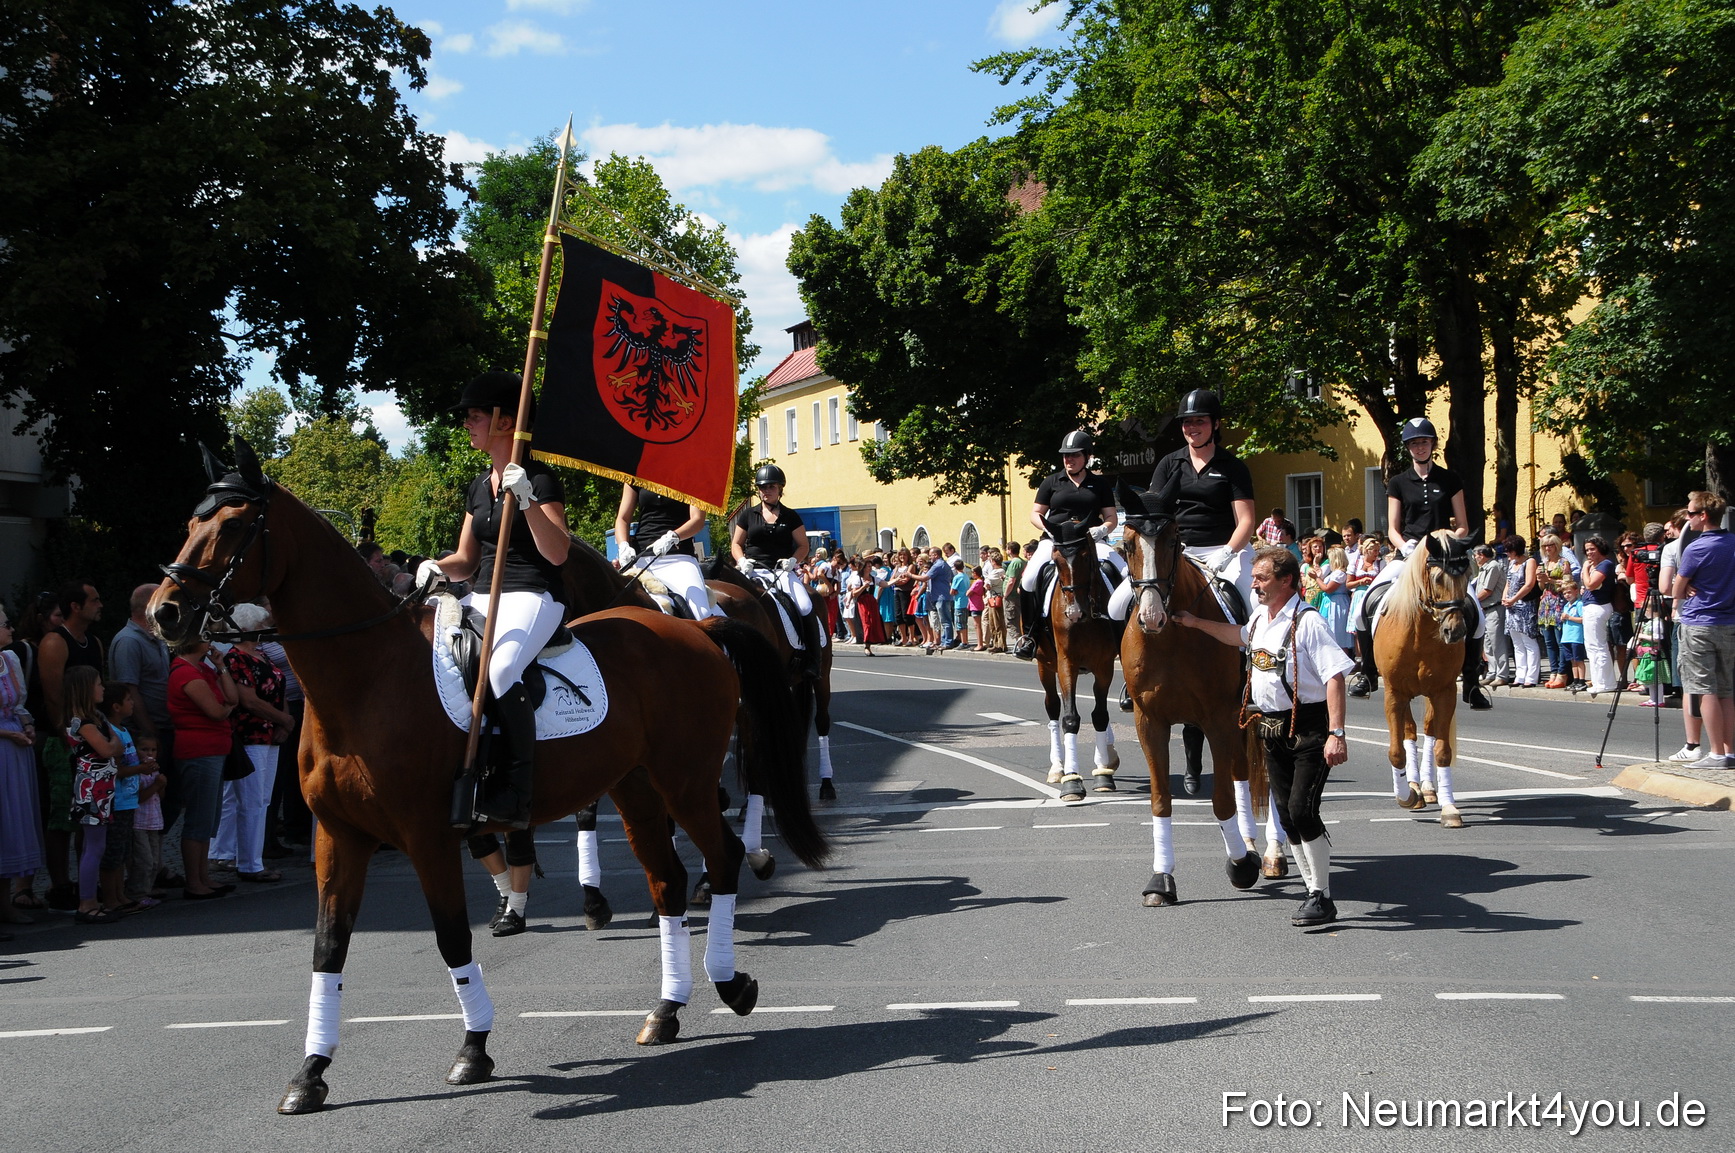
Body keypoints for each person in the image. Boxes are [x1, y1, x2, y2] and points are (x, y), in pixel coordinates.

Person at [416, 372, 571, 827]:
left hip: (534, 594)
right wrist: (434, 567)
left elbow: (558, 552)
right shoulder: (478, 484)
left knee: (500, 668)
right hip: (482, 595)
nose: (468, 423)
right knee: (438, 663)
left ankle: (517, 790)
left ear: (506, 421)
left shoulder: (540, 479)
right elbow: (466, 559)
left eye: (476, 416)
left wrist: (525, 500)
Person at [1175, 548, 1354, 927]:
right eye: (1254, 577)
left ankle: (1321, 895)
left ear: (1285, 581)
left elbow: (1334, 676)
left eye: (1261, 577)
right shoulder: (1260, 617)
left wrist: (1336, 733)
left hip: (1308, 725)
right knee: (1288, 816)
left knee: (1303, 810)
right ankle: (1312, 891)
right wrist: (1194, 623)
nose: (1254, 583)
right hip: (1271, 728)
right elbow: (1237, 635)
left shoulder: (1307, 622)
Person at [1349, 418, 1489, 709]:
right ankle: (1368, 673)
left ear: (1432, 445)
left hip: (1442, 556)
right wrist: (1404, 545)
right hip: (1408, 554)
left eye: (1424, 442)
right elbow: (1393, 529)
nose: (1420, 447)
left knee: (1475, 609)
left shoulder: (1450, 479)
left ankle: (1472, 681)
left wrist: (1446, 540)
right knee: (1365, 606)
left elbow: (1463, 525)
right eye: (1415, 443)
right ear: (1408, 448)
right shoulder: (1398, 482)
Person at [1016, 430, 1125, 660]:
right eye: (1066, 455)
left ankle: (1125, 636)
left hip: (1089, 542)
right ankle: (1029, 636)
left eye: (1074, 455)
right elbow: (1035, 513)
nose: (1069, 460)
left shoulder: (1099, 484)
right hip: (1056, 541)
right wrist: (1047, 528)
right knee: (1028, 579)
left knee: (1125, 573)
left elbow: (1111, 517)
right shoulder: (1052, 482)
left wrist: (1102, 529)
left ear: (1087, 456)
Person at [218, 605, 293, 883]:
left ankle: (250, 857)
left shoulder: (259, 654)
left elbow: (278, 688)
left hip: (269, 733)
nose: (267, 625)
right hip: (251, 734)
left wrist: (281, 721)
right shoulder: (236, 658)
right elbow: (249, 700)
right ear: (247, 628)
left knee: (263, 799)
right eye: (262, 621)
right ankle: (249, 863)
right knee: (250, 801)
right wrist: (284, 719)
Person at [728, 463, 824, 678]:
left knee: (805, 604)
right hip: (751, 570)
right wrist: (742, 560)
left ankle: (813, 660)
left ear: (780, 488)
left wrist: (792, 560)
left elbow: (803, 546)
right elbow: (736, 544)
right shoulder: (748, 515)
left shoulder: (791, 517)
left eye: (771, 486)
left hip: (781, 571)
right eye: (762, 487)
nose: (766, 491)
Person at [167, 636, 239, 899]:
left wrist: (220, 666)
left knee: (210, 818)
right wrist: (226, 707)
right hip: (198, 750)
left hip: (215, 748)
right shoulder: (185, 672)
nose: (211, 643)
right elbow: (217, 711)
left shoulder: (204, 668)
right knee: (199, 817)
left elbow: (232, 698)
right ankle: (194, 882)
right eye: (205, 638)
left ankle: (203, 877)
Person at [1673, 492, 1735, 768]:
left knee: (1705, 688)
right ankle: (1730, 751)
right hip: (1729, 622)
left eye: (1690, 513)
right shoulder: (1733, 543)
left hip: (1700, 622)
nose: (1688, 518)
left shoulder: (1696, 548)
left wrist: (1685, 587)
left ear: (1703, 516)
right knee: (1726, 690)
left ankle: (1716, 754)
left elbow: (1674, 588)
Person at [613, 484, 724, 621]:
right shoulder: (635, 475)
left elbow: (698, 520)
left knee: (701, 612)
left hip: (678, 558)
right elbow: (622, 518)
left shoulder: (693, 476)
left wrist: (674, 537)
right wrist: (623, 545)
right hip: (642, 558)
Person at [0, 606, 42, 923]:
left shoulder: (9, 660)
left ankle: (5, 902)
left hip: (15, 752)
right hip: (3, 747)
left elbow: (18, 705)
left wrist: (26, 725)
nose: (11, 630)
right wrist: (7, 733)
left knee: (14, 822)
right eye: (5, 624)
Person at [1535, 533, 1578, 688]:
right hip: (1546, 603)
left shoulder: (1563, 562)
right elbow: (1542, 587)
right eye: (1545, 545)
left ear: (1557, 546)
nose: (1548, 548)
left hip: (1559, 603)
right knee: (1549, 642)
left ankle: (1563, 674)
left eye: (1551, 545)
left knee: (1560, 641)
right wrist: (1541, 581)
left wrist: (1550, 580)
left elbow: (1568, 584)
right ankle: (1553, 672)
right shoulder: (1544, 564)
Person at [1579, 536, 1620, 696]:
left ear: (1600, 548)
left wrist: (1584, 569)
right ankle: (1599, 681)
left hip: (1598, 607)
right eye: (1587, 549)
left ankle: (1604, 683)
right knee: (1592, 647)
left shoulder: (1606, 564)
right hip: (1590, 607)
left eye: (1592, 549)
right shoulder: (1595, 566)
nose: (1589, 552)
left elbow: (1590, 584)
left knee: (1597, 646)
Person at [1500, 538, 1541, 688]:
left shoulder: (1529, 562)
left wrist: (1514, 599)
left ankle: (1531, 676)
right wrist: (1505, 597)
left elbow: (1529, 584)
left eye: (1509, 551)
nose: (1507, 554)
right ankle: (1520, 675)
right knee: (1517, 643)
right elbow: (1508, 583)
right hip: (1511, 607)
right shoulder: (1511, 564)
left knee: (1528, 641)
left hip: (1524, 605)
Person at [1472, 545, 1511, 685]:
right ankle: (1492, 672)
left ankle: (1502, 674)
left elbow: (1487, 590)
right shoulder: (1483, 568)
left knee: (1497, 642)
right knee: (1487, 643)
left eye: (1475, 555)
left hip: (1495, 608)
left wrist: (1473, 601)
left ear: (1481, 555)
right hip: (1485, 609)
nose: (1474, 558)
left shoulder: (1493, 566)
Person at [1559, 581, 1587, 690]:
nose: (1567, 595)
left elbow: (1583, 619)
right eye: (1565, 593)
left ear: (1576, 591)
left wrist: (1569, 618)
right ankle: (1575, 680)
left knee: (1578, 659)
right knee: (1572, 660)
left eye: (1569, 592)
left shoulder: (1579, 604)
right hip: (1566, 637)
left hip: (1576, 637)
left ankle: (1582, 680)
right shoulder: (1566, 606)